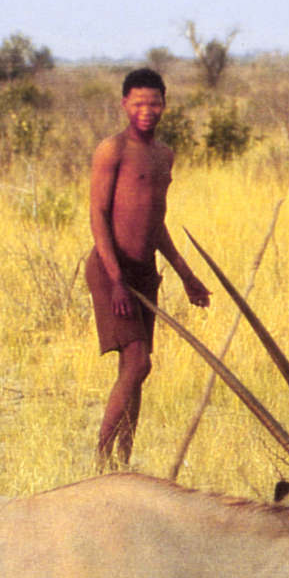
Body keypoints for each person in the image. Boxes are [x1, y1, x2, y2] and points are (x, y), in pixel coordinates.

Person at [86, 68, 211, 467]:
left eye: (154, 102)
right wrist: (117, 280)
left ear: (164, 104)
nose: (147, 110)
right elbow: (98, 215)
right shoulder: (112, 150)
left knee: (135, 371)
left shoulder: (164, 155)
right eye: (138, 103)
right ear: (124, 104)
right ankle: (101, 463)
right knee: (139, 362)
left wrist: (186, 274)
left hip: (145, 272)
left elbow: (155, 223)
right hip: (112, 271)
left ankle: (124, 462)